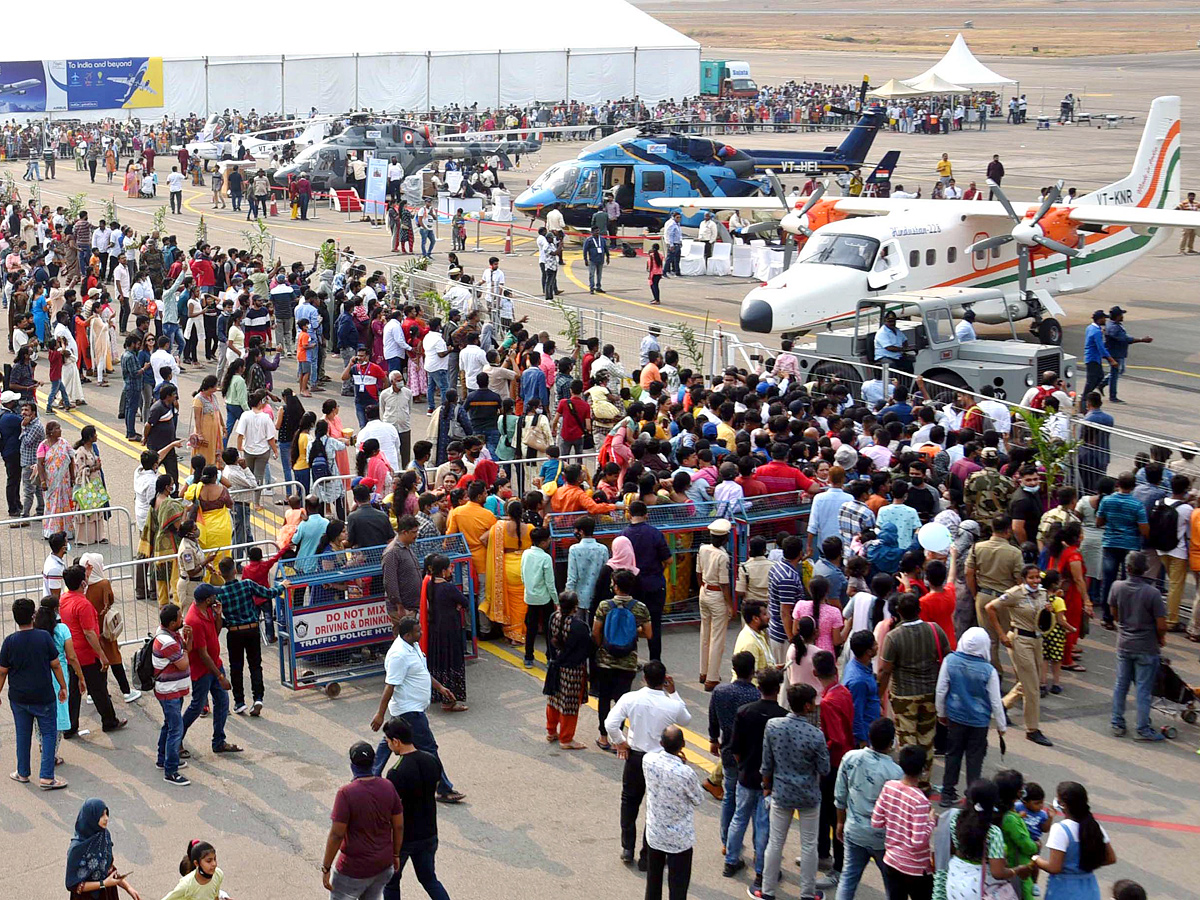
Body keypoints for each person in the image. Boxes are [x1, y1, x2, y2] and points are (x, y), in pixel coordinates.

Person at [604, 659, 691, 870]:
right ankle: (647, 856)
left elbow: (610, 724)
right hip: (660, 761)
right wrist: (674, 692)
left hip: (635, 756)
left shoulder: (631, 698)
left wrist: (621, 743)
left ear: (644, 679)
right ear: (665, 680)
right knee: (655, 808)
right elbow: (686, 719)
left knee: (629, 802)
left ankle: (627, 847)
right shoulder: (672, 704)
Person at [369, 617, 465, 802]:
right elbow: (390, 686)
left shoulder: (412, 646)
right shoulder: (399, 655)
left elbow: (422, 672)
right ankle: (444, 789)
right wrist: (380, 714)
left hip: (411, 708)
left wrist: (440, 688)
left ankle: (368, 776)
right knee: (429, 747)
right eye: (417, 632)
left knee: (390, 740)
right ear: (406, 634)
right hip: (409, 711)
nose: (421, 634)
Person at [754, 682, 829, 900]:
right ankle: (807, 892)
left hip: (781, 792)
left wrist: (767, 787)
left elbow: (766, 762)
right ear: (806, 706)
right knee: (809, 845)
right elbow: (823, 768)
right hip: (808, 795)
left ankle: (767, 890)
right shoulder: (816, 735)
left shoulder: (773, 726)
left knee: (775, 842)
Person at [724, 667, 786, 890]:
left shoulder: (744, 712)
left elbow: (736, 747)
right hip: (770, 780)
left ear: (758, 688)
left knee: (739, 817)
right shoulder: (782, 716)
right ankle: (761, 869)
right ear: (778, 689)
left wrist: (742, 765)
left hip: (746, 773)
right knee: (763, 824)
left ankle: (731, 860)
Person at [878, 591, 949, 788]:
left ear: (898, 612)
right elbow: (947, 657)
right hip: (930, 693)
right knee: (927, 739)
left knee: (907, 741)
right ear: (919, 610)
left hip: (904, 695)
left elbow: (885, 671)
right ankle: (924, 781)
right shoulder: (934, 629)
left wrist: (878, 697)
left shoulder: (893, 637)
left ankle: (909, 783)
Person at [0, 596, 69, 789]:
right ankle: (47, 777)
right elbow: (55, 665)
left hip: (19, 698)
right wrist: (63, 687)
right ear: (33, 616)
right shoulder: (43, 637)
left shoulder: (9, 642)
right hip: (43, 696)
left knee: (23, 734)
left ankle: (22, 772)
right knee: (48, 733)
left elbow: (2, 672)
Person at [381, 717, 452, 900]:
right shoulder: (431, 760)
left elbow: (391, 809)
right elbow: (435, 786)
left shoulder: (396, 772)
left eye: (388, 742)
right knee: (429, 879)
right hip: (429, 833)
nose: (389, 746)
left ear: (396, 741)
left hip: (404, 838)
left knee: (391, 883)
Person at [322, 742, 403, 900]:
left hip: (353, 870)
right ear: (373, 762)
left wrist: (326, 867)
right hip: (382, 866)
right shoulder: (388, 786)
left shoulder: (346, 793)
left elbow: (337, 835)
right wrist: (395, 854)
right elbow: (398, 826)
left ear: (352, 765)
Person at [835, 717, 904, 900]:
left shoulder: (850, 758)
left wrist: (840, 822)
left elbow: (840, 796)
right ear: (891, 743)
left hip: (854, 831)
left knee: (848, 879)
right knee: (892, 885)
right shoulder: (896, 773)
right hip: (883, 839)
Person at [935, 627, 1005, 807]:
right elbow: (996, 701)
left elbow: (941, 690)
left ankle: (947, 793)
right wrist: (1001, 726)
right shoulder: (988, 670)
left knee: (953, 755)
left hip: (955, 717)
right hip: (979, 722)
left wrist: (941, 713)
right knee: (975, 759)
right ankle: (973, 797)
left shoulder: (950, 661)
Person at [987, 564, 1054, 747]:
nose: (1035, 581)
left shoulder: (1042, 593)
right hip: (1020, 640)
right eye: (1031, 578)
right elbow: (990, 607)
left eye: (1037, 577)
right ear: (1024, 579)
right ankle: (1032, 729)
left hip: (1037, 640)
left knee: (1028, 680)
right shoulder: (1015, 593)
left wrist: (1048, 611)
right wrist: (1001, 634)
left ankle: (1001, 705)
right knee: (1033, 687)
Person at [935, 780, 1033, 900]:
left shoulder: (955, 818)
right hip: (978, 888)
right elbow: (998, 873)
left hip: (954, 881)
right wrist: (1017, 870)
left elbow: (952, 849)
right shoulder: (993, 832)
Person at [1108, 551, 1167, 741]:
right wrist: (1161, 638)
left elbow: (1114, 613)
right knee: (1143, 689)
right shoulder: (1153, 593)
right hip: (1146, 646)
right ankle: (1143, 728)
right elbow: (1161, 625)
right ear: (1146, 569)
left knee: (1121, 685)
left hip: (1124, 644)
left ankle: (1117, 722)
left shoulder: (1117, 586)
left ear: (1127, 568)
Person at [593, 566, 653, 752]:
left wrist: (604, 644)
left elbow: (596, 631)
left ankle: (603, 737)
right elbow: (649, 634)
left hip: (605, 660)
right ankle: (617, 738)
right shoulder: (640, 608)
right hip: (628, 661)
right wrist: (632, 632)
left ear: (616, 586)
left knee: (604, 698)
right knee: (622, 701)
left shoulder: (604, 606)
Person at [60, 564, 125, 734]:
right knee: (98, 690)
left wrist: (85, 575)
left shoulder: (64, 599)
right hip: (88, 655)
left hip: (72, 654)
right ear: (82, 583)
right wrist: (102, 655)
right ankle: (109, 721)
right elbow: (89, 633)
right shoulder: (84, 605)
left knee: (73, 692)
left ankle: (69, 726)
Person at [642, 724, 702, 900]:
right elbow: (698, 799)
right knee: (678, 886)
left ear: (661, 743)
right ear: (682, 745)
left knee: (653, 880)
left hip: (655, 833)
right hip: (679, 839)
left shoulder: (648, 760)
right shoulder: (686, 773)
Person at [181, 584, 242, 757]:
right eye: (214, 596)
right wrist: (220, 676)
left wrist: (218, 615)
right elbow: (203, 654)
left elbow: (215, 634)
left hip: (214, 665)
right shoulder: (194, 620)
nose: (216, 598)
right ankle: (177, 739)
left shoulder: (207, 610)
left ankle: (219, 741)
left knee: (222, 701)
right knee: (196, 706)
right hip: (204, 671)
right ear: (207, 600)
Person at [709, 651, 761, 853]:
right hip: (750, 755)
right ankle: (756, 845)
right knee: (752, 803)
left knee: (730, 796)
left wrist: (714, 739)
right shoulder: (755, 695)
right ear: (752, 671)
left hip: (728, 750)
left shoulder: (720, 692)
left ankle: (726, 840)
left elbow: (713, 718)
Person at [1029, 782, 1115, 900]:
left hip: (1064, 890)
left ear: (1063, 805)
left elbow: (1054, 868)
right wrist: (1087, 863)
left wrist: (1036, 859)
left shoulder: (1060, 829)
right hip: (1090, 889)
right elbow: (1110, 858)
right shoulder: (1094, 827)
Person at [214, 556, 275, 717]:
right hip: (252, 629)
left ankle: (239, 702)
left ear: (221, 573)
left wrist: (229, 622)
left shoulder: (220, 594)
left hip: (234, 632)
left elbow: (219, 616)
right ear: (235, 571)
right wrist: (282, 587)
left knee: (236, 668)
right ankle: (258, 698)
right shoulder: (247, 585)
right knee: (255, 665)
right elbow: (268, 593)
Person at [966, 514, 1024, 670]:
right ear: (1008, 531)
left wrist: (975, 594)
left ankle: (995, 674)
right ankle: (1022, 675)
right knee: (1012, 637)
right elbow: (1020, 580)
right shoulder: (1015, 552)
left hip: (983, 596)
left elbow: (969, 573)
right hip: (1006, 598)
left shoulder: (977, 548)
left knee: (990, 640)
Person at [65, 798, 142, 900]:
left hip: (107, 894)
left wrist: (128, 888)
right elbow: (72, 885)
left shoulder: (104, 835)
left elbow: (108, 868)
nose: (106, 818)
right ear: (91, 818)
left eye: (106, 814)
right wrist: (103, 884)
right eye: (101, 815)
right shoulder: (77, 849)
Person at [420, 553, 469, 713]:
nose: (450, 571)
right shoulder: (448, 587)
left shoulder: (429, 584)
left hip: (435, 630)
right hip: (450, 630)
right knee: (451, 663)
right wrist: (458, 606)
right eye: (449, 568)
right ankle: (449, 701)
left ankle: (439, 694)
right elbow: (465, 602)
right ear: (443, 571)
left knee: (439, 663)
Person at [623, 500, 672, 661]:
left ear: (629, 514)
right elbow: (669, 559)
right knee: (655, 625)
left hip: (631, 586)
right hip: (654, 584)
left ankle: (632, 659)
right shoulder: (655, 533)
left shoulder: (624, 535)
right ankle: (655, 661)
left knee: (631, 624)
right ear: (646, 515)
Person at [153, 602, 193, 786]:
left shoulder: (171, 634)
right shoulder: (166, 641)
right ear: (171, 623)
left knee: (169, 725)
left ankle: (163, 759)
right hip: (169, 692)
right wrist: (184, 649)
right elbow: (184, 663)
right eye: (179, 617)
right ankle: (171, 771)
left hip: (174, 689)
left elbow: (187, 651)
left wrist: (187, 641)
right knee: (176, 730)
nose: (182, 619)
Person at [545, 591, 591, 750]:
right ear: (575, 607)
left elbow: (549, 641)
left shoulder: (553, 618)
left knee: (554, 700)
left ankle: (551, 731)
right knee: (569, 705)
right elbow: (587, 650)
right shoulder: (580, 626)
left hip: (554, 666)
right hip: (573, 670)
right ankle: (566, 738)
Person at [698, 517, 735, 689]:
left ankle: (703, 671)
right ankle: (712, 678)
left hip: (704, 591)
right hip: (716, 594)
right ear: (725, 538)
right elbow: (724, 583)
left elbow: (698, 573)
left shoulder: (703, 549)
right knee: (717, 637)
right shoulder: (723, 556)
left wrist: (703, 589)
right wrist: (730, 605)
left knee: (705, 633)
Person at [1102, 307, 1152, 404]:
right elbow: (1126, 339)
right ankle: (1113, 396)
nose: (1123, 317)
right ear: (1117, 317)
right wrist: (1142, 340)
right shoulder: (1114, 328)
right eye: (1121, 315)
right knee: (1115, 374)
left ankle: (1103, 384)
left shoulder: (1112, 324)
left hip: (1119, 352)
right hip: (1115, 354)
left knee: (1120, 370)